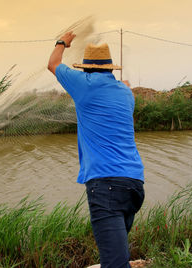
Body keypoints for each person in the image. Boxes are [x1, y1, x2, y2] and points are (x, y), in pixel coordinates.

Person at [48, 31, 145, 268]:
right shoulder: (126, 93)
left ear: (86, 69)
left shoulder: (85, 85)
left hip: (106, 185)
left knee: (115, 263)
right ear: (110, 68)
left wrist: (62, 42)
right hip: (134, 184)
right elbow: (125, 88)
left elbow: (53, 64)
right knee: (117, 256)